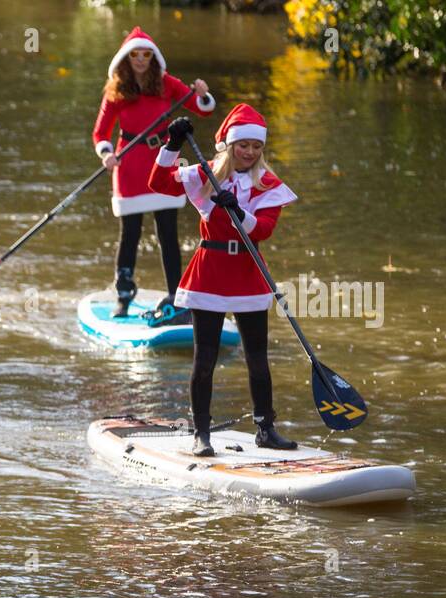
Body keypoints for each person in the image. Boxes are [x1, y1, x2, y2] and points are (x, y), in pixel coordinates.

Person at [148, 105, 299, 457]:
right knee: (205, 359)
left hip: (248, 269)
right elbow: (157, 183)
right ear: (229, 145)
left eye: (256, 147)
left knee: (257, 357)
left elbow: (264, 229)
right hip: (210, 269)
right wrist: (172, 145)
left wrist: (239, 212)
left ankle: (266, 428)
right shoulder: (205, 175)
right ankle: (201, 433)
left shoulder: (268, 183)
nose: (249, 152)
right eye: (242, 145)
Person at [91, 26, 215, 318]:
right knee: (130, 234)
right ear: (126, 57)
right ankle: (123, 296)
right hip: (129, 165)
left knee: (168, 234)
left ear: (153, 57)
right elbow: (100, 133)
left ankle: (177, 296)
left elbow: (202, 108)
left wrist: (202, 94)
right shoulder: (115, 90)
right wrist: (107, 154)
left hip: (162, 162)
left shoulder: (165, 82)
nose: (141, 59)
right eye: (135, 54)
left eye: (146, 54)